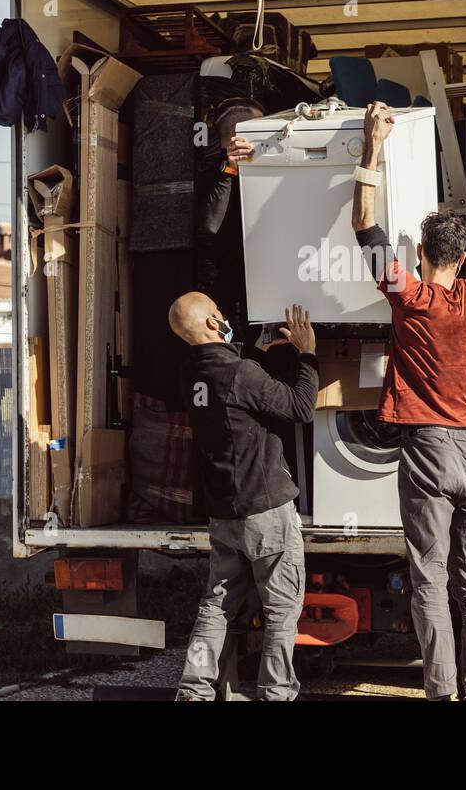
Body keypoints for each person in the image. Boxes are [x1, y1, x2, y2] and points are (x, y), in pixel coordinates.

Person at [350, 101, 466, 701]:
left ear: (420, 257)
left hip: (429, 448)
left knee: (429, 579)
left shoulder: (409, 298)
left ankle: (441, 691)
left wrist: (373, 145)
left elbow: (364, 224)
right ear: (462, 260)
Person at [169, 292, 317, 701]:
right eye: (220, 313)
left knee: (215, 606)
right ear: (215, 324)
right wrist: (307, 355)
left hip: (225, 515)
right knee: (282, 611)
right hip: (266, 510)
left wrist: (255, 351)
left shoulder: (191, 375)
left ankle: (193, 691)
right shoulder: (241, 374)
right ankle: (276, 693)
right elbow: (301, 407)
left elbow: (233, 388)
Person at [193, 97, 265, 329]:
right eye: (261, 128)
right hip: (223, 285)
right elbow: (211, 225)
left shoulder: (258, 166)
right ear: (240, 133)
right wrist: (230, 169)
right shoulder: (213, 167)